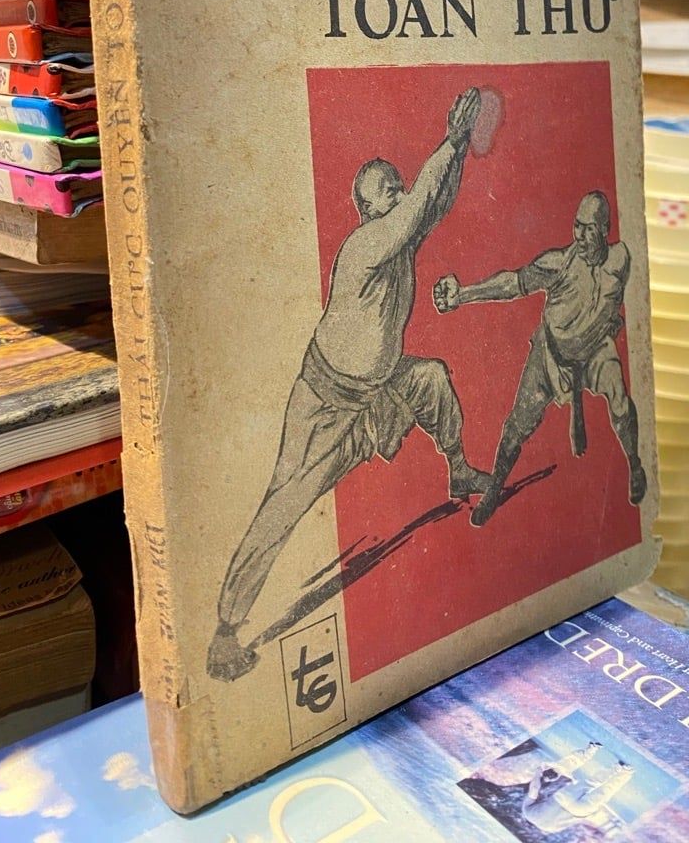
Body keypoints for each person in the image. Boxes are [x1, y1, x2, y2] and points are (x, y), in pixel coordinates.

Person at [208, 89, 491, 681]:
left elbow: (436, 201)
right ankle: (226, 632)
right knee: (286, 500)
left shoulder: (400, 241)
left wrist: (460, 148)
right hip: (326, 404)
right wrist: (450, 139)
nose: (402, 194)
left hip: (377, 390)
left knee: (432, 379)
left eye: (400, 186)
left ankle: (460, 469)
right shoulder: (366, 246)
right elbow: (419, 207)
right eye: (390, 190)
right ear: (367, 209)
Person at [433, 190, 647, 527]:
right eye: (577, 226)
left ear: (605, 230)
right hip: (551, 357)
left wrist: (611, 322)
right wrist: (462, 295)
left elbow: (617, 298)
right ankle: (494, 491)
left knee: (619, 396)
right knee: (517, 425)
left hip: (595, 352)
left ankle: (634, 463)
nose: (581, 236)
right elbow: (513, 283)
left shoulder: (621, 260)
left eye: (590, 229)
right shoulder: (557, 264)